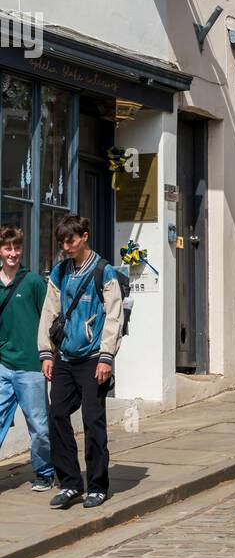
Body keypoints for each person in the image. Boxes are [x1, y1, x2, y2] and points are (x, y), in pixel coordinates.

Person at [38, 214, 124, 510]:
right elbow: (49, 312)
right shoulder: (60, 272)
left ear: (84, 236)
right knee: (57, 416)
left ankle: (98, 485)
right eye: (63, 241)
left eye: (71, 240)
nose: (66, 246)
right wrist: (46, 352)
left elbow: (114, 317)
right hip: (64, 357)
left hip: (92, 361)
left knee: (93, 421)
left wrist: (106, 357)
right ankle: (71, 483)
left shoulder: (104, 271)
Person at [0, 226, 54, 491]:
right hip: (3, 365)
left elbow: (48, 320)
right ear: (0, 250)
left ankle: (44, 472)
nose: (13, 253)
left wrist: (47, 355)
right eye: (8, 248)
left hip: (31, 366)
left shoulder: (33, 282)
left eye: (17, 248)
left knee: (39, 426)